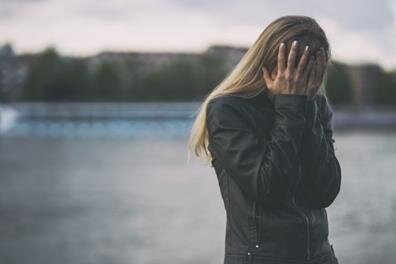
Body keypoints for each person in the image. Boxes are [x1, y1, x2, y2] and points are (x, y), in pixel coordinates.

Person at [188, 15, 342, 264]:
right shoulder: (228, 109)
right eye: (296, 71)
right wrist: (291, 107)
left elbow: (326, 191)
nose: (301, 83)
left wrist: (306, 106)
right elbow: (269, 188)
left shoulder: (315, 106)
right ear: (270, 66)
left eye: (309, 74)